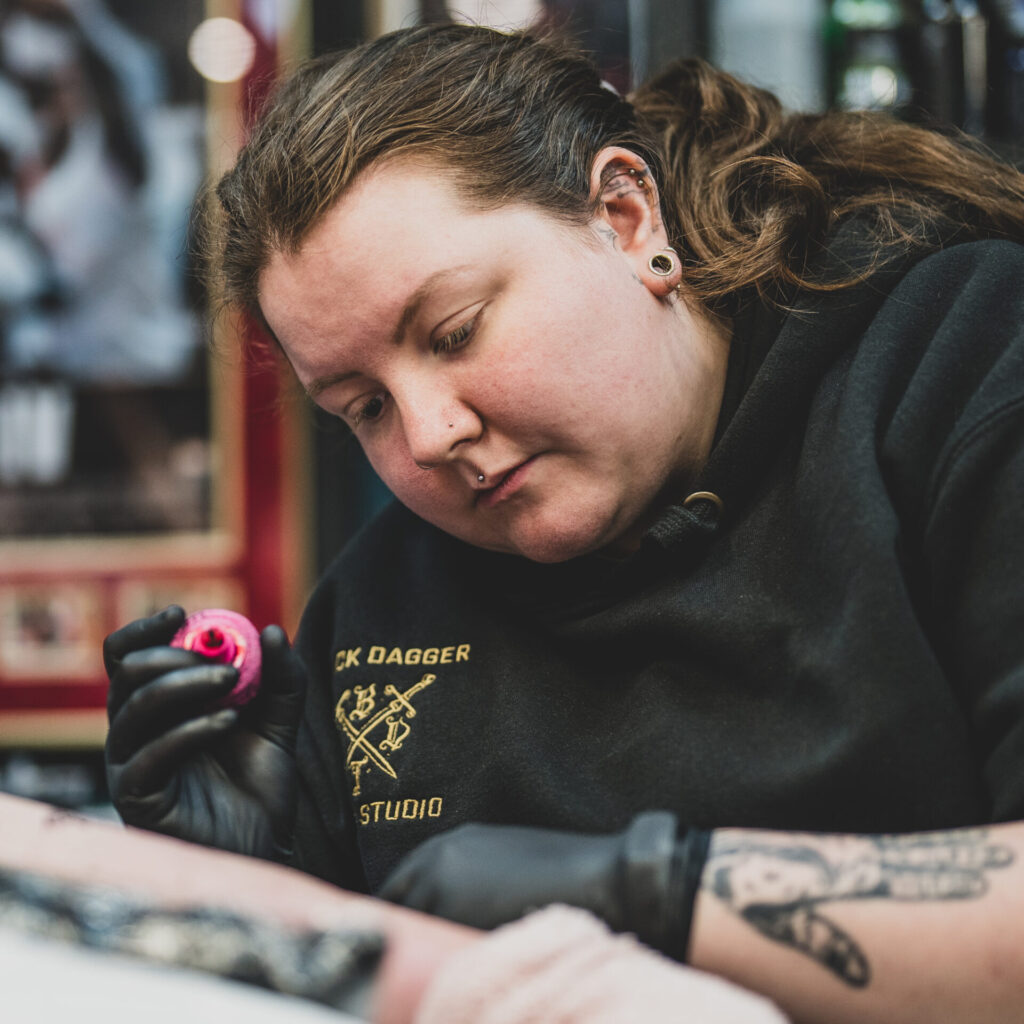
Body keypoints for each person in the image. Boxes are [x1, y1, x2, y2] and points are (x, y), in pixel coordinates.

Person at [103, 22, 1024, 1023]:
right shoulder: (384, 600)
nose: (429, 435)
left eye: (454, 333)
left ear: (625, 218)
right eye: (362, 407)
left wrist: (646, 895)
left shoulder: (960, 374)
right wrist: (262, 889)